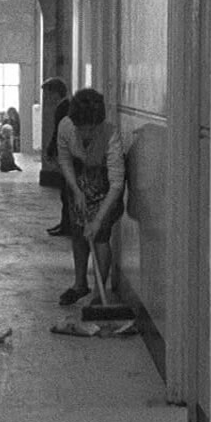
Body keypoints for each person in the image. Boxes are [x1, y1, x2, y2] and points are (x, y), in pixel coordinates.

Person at [55, 88, 125, 306]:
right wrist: (76, 191)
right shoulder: (66, 127)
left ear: (99, 123)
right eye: (81, 128)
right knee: (79, 232)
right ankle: (80, 285)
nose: (86, 133)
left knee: (100, 235)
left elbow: (116, 184)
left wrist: (98, 219)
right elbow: (64, 159)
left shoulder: (110, 135)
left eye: (91, 128)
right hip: (79, 178)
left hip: (105, 184)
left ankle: (98, 293)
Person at [42, 77, 71, 236]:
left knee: (66, 192)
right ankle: (65, 223)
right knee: (65, 192)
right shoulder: (66, 106)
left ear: (55, 93)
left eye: (48, 94)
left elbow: (58, 132)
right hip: (67, 153)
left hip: (65, 154)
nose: (46, 98)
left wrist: (51, 150)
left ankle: (67, 225)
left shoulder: (63, 108)